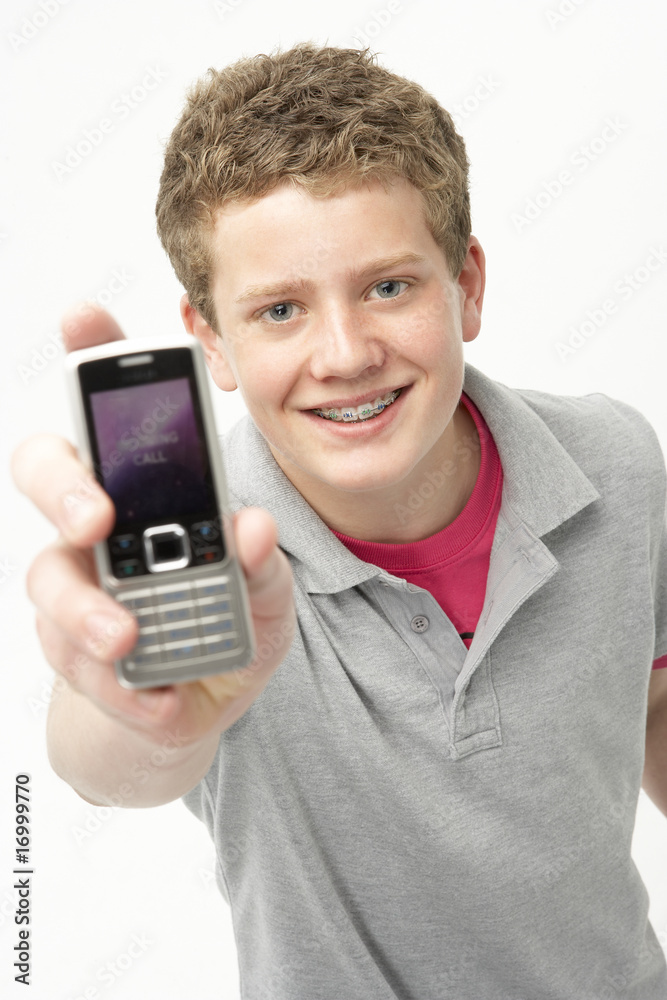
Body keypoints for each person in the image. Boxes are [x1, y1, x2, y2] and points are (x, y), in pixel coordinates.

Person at [11, 42, 667, 999]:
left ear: (467, 285)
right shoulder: (214, 555)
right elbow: (107, 766)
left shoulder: (615, 461)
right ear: (212, 343)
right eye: (278, 309)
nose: (346, 353)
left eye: (388, 287)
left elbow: (647, 699)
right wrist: (134, 707)